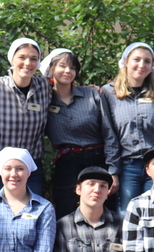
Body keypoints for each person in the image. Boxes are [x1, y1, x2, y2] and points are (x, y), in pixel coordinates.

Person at [43, 48, 120, 218]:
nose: (67, 71)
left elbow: (109, 134)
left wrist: (113, 170)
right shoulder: (44, 99)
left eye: (72, 68)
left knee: (104, 211)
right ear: (51, 69)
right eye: (62, 66)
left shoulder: (91, 94)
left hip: (98, 158)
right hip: (67, 162)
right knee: (66, 212)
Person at [101, 42, 154, 216]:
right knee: (127, 214)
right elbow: (109, 135)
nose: (142, 65)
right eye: (136, 59)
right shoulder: (108, 93)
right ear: (125, 61)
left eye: (147, 61)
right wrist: (113, 171)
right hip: (127, 166)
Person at [0, 37, 50, 196]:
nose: (28, 63)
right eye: (22, 57)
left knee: (32, 212)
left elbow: (65, 85)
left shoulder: (44, 86)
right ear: (12, 59)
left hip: (31, 167)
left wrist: (90, 90)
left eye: (34, 59)